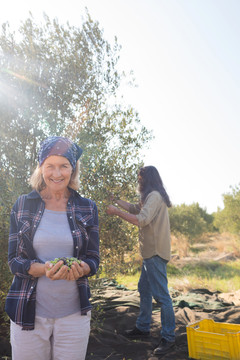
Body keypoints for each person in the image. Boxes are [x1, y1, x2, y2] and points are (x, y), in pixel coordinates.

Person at [5, 136, 100, 360]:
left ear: (73, 169)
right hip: (28, 313)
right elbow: (13, 260)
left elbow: (94, 258)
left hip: (74, 317)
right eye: (50, 166)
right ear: (41, 168)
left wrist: (83, 268)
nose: (57, 174)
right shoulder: (23, 205)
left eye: (64, 166)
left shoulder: (88, 207)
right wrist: (44, 269)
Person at [106, 165, 175, 355]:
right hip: (149, 254)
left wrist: (116, 212)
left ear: (146, 179)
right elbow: (135, 208)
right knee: (144, 289)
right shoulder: (150, 196)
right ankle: (143, 327)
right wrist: (117, 201)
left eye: (140, 178)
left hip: (155, 253)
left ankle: (168, 336)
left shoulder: (154, 196)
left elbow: (141, 219)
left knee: (162, 297)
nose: (138, 181)